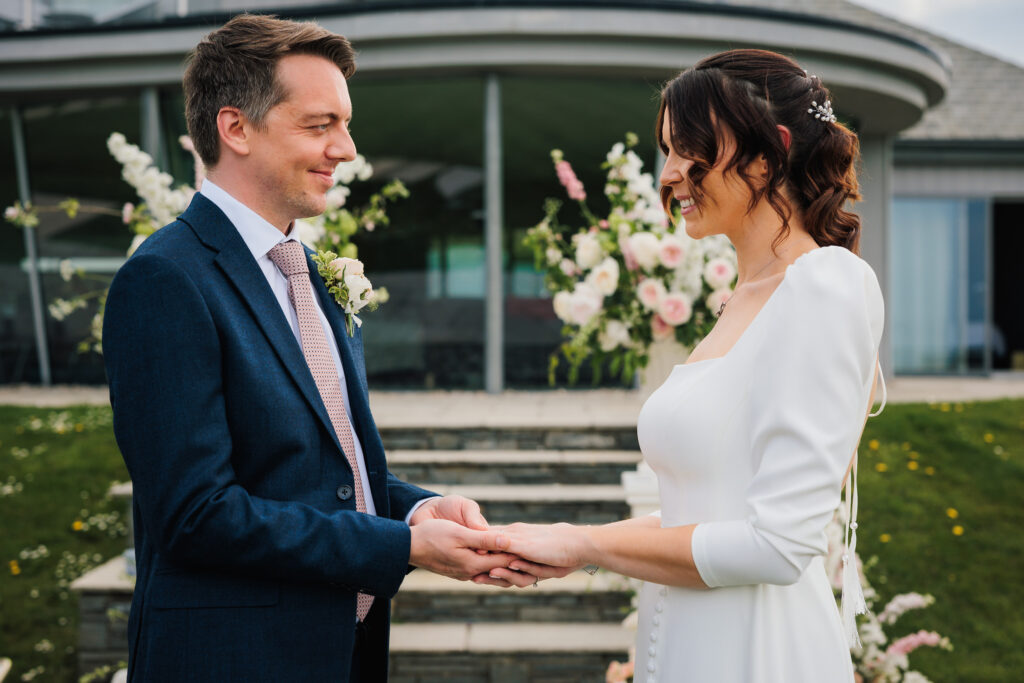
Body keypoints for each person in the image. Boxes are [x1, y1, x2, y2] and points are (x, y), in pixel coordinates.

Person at [102, 14, 529, 682]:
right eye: (319, 124)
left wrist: (414, 506)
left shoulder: (310, 271)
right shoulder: (165, 279)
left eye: (345, 124)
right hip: (231, 659)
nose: (347, 148)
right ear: (235, 128)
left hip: (338, 653)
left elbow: (313, 473)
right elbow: (196, 514)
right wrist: (405, 544)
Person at [493, 49, 886, 682]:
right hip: (684, 639)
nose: (669, 174)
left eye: (688, 149)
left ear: (769, 154)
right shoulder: (747, 295)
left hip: (757, 651)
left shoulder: (825, 285)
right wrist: (570, 539)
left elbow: (777, 543)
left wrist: (588, 546)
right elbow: (707, 509)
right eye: (667, 150)